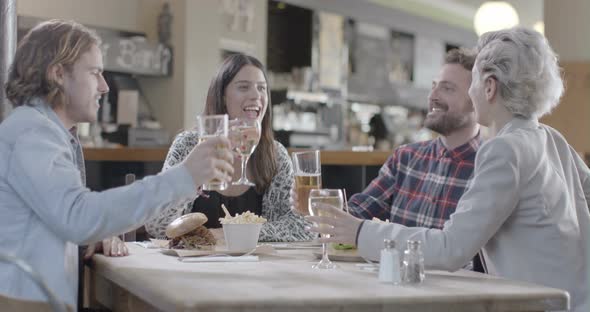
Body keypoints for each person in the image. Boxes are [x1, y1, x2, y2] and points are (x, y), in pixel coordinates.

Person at [308, 27, 590, 312]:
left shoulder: (504, 150)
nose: (472, 91)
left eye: (474, 82)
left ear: (490, 87)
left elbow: (451, 247)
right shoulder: (552, 139)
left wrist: (360, 232)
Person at [0, 20, 234, 308]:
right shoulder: (33, 132)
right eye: (95, 72)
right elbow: (78, 217)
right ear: (58, 73)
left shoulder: (42, 130)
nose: (104, 85)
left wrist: (89, 237)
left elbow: (56, 220)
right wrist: (183, 176)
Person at [145, 53, 313, 242]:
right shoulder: (189, 145)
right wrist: (190, 179)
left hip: (257, 269)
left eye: (262, 88)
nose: (256, 95)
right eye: (243, 87)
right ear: (223, 96)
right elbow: (157, 226)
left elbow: (303, 228)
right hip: (194, 267)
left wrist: (229, 234)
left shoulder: (276, 155)